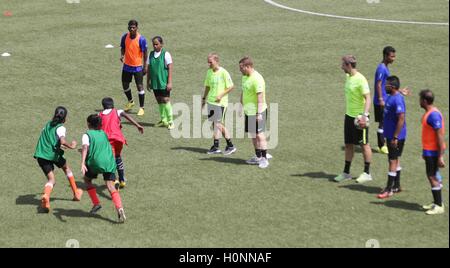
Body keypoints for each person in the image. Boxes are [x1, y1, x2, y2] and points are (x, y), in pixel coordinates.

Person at [33, 106, 83, 213]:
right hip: (52, 155)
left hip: (41, 155)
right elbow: (62, 140)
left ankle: (46, 195)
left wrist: (59, 146)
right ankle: (76, 193)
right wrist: (71, 146)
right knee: (67, 169)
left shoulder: (47, 125)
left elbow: (48, 139)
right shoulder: (61, 127)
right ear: (65, 118)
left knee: (52, 180)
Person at [334, 55, 373, 183]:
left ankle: (367, 173)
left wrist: (364, 116)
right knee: (348, 144)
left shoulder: (360, 79)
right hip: (349, 116)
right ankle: (346, 172)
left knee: (364, 144)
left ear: (348, 65)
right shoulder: (348, 77)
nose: (341, 67)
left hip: (359, 118)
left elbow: (368, 98)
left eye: (343, 65)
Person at [81, 114, 126, 223]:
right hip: (109, 161)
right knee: (110, 186)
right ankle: (120, 208)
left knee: (87, 180)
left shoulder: (86, 135)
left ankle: (96, 203)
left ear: (88, 124)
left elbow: (85, 147)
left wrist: (82, 163)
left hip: (95, 162)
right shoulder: (103, 133)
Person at [99, 97, 144, 189]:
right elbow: (127, 116)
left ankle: (114, 180)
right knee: (118, 157)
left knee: (110, 161)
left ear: (103, 106)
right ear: (113, 104)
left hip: (108, 141)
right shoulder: (117, 111)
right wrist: (138, 125)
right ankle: (122, 180)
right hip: (119, 139)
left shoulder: (99, 115)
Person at [377, 76, 407, 199]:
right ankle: (396, 185)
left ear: (393, 87)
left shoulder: (397, 100)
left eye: (387, 84)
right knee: (396, 159)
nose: (385, 86)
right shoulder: (393, 96)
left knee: (392, 161)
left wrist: (395, 137)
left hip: (396, 137)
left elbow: (401, 118)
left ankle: (389, 189)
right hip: (391, 135)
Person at [202, 53, 236, 155]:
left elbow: (231, 86)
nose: (209, 64)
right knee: (215, 124)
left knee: (218, 124)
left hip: (220, 103)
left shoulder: (223, 72)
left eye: (210, 62)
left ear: (217, 61)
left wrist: (221, 95)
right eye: (208, 62)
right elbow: (207, 86)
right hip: (211, 101)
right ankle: (216, 146)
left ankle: (230, 145)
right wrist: (204, 98)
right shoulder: (209, 72)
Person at [239, 56, 269, 169]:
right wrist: (241, 102)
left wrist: (259, 113)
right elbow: (244, 90)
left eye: (241, 68)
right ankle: (258, 156)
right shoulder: (245, 77)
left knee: (260, 135)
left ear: (248, 66)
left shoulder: (257, 79)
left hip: (257, 112)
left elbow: (260, 98)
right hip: (249, 111)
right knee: (253, 134)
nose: (240, 70)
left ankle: (264, 158)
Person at [419, 89, 446, 215]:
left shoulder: (433, 115)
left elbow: (440, 136)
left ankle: (439, 205)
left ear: (424, 101)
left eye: (420, 99)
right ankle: (437, 202)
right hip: (429, 150)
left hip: (434, 151)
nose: (419, 101)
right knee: (433, 175)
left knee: (432, 176)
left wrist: (440, 156)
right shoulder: (430, 112)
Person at [120, 19, 148, 116]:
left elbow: (145, 53)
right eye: (130, 27)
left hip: (137, 67)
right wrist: (122, 55)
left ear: (137, 28)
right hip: (127, 66)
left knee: (139, 86)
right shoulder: (125, 37)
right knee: (125, 84)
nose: (132, 29)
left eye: (134, 27)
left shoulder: (141, 39)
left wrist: (145, 66)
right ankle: (131, 101)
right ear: (128, 27)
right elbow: (123, 47)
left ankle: (141, 108)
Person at [147, 36, 174, 129]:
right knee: (159, 100)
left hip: (163, 82)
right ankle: (163, 120)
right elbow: (149, 68)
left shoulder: (166, 54)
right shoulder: (150, 54)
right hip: (155, 83)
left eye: (156, 44)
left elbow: (170, 68)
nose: (155, 46)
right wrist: (148, 81)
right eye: (153, 44)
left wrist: (169, 82)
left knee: (166, 100)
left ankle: (171, 121)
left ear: (161, 44)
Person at [373, 46, 396, 154]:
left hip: (384, 100)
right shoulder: (381, 68)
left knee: (383, 123)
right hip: (380, 101)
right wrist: (381, 99)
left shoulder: (385, 67)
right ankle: (382, 145)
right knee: (383, 123)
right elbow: (378, 84)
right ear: (386, 56)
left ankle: (379, 145)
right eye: (392, 56)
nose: (393, 58)